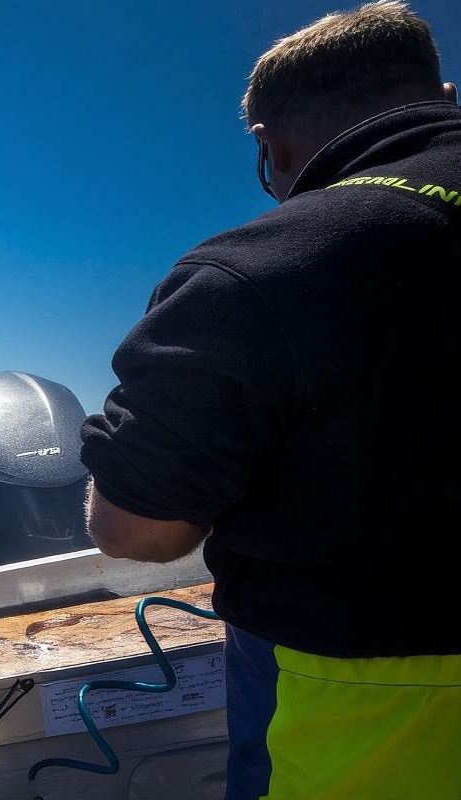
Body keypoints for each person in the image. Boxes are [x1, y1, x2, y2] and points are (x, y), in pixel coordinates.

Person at [78, 2, 460, 798]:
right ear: (442, 94)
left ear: (273, 148)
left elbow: (135, 529)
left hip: (377, 713)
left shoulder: (265, 270)